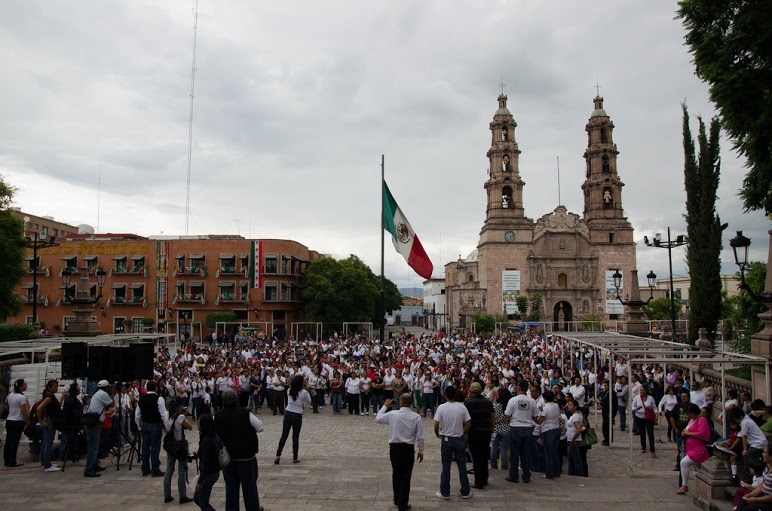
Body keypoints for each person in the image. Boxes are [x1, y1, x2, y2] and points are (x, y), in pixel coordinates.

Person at [215, 390, 264, 511]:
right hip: (246, 456)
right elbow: (259, 426)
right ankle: (253, 508)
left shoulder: (217, 415)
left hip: (228, 458)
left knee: (231, 487)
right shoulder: (245, 413)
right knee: (250, 487)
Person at [375, 393, 424, 511]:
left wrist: (385, 406)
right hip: (407, 448)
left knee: (396, 473)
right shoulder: (416, 417)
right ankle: (403, 502)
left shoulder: (393, 414)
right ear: (411, 403)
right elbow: (420, 437)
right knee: (406, 476)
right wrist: (421, 451)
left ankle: (397, 498)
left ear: (401, 402)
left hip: (395, 448)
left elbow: (378, 419)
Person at [433, 385, 472, 500]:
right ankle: (465, 491)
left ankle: (445, 492)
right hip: (459, 438)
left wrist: (437, 434)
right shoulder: (462, 407)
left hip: (446, 438)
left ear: (445, 395)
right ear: (455, 395)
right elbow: (468, 423)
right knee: (462, 465)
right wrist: (462, 432)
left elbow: (436, 424)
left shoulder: (442, 407)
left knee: (446, 466)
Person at [504, 380, 544, 484]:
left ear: (518, 388)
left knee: (514, 454)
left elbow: (507, 415)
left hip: (516, 427)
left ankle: (514, 475)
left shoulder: (513, 400)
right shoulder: (532, 401)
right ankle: (526, 476)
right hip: (528, 428)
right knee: (526, 454)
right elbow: (535, 417)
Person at [274, 375, 312, 464]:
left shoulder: (289, 390)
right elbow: (309, 402)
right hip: (297, 414)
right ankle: (295, 457)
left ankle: (278, 454)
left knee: (284, 435)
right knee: (295, 437)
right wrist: (308, 389)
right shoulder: (303, 392)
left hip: (288, 413)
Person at [136, 380, 169, 477]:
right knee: (155, 447)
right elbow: (163, 414)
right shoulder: (159, 399)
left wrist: (139, 426)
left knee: (145, 446)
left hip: (145, 424)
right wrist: (166, 426)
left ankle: (145, 468)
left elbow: (137, 415)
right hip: (155, 424)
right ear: (156, 388)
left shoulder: (142, 399)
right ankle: (155, 469)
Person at [464, 382, 494, 489]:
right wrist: (491, 428)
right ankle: (484, 478)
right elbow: (492, 417)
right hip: (486, 431)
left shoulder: (468, 403)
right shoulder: (488, 402)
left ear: (471, 391)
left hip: (474, 432)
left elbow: (466, 419)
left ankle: (479, 481)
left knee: (476, 457)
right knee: (484, 456)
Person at [163, 398, 193, 504]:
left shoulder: (166, 416)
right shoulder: (179, 417)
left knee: (169, 471)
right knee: (182, 471)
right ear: (178, 407)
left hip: (170, 446)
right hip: (179, 446)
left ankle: (167, 495)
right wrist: (185, 415)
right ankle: (182, 495)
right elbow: (190, 427)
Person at [677, 403, 711, 494]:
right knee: (699, 469)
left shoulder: (702, 419)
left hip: (698, 448)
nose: (688, 416)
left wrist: (688, 433)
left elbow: (703, 434)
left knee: (684, 463)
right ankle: (702, 486)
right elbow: (687, 429)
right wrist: (684, 433)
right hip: (690, 447)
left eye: (689, 413)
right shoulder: (692, 420)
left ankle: (684, 485)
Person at [82, 380, 114, 477]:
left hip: (93, 422)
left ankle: (93, 465)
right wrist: (112, 395)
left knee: (93, 446)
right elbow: (111, 404)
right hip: (95, 423)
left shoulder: (97, 393)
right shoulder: (103, 394)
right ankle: (90, 469)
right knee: (94, 447)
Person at [194, 414, 220, 511]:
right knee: (198, 499)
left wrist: (200, 481)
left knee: (203, 502)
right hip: (213, 472)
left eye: (199, 422)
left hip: (208, 474)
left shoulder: (207, 441)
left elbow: (206, 463)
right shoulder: (213, 436)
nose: (197, 423)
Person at [37, 379, 63, 472]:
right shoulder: (49, 397)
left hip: (51, 419)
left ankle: (45, 463)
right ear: (49, 387)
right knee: (48, 443)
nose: (56, 388)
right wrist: (41, 421)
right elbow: (39, 408)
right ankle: (47, 465)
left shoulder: (51, 396)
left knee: (45, 443)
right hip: (49, 420)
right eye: (54, 387)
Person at [3, 378, 30, 468]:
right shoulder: (22, 397)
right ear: (21, 387)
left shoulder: (10, 395)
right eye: (25, 384)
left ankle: (7, 460)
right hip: (18, 420)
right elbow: (24, 411)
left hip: (9, 420)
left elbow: (7, 407)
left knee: (8, 441)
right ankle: (12, 461)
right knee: (15, 441)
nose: (26, 386)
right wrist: (27, 422)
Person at [632, 385, 658, 458]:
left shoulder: (650, 398)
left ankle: (652, 449)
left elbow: (654, 407)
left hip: (649, 418)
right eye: (640, 390)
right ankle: (643, 446)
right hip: (639, 417)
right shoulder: (637, 398)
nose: (641, 392)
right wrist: (635, 409)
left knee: (650, 433)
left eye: (642, 390)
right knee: (642, 432)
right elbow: (633, 406)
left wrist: (656, 414)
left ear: (646, 391)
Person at [541, 390, 561, 479]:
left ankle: (549, 472)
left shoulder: (546, 408)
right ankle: (556, 471)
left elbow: (540, 420)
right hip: (556, 429)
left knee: (548, 453)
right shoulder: (556, 405)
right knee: (554, 452)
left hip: (548, 430)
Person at [60, 383, 82, 462]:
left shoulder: (70, 399)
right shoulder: (72, 400)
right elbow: (79, 412)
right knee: (67, 441)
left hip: (69, 423)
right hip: (69, 423)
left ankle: (67, 455)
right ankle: (64, 456)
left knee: (69, 441)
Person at [490, 388, 511, 471]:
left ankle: (493, 465)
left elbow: (492, 417)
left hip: (496, 427)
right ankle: (504, 465)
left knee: (494, 447)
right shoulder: (508, 406)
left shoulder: (495, 406)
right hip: (506, 427)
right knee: (504, 449)